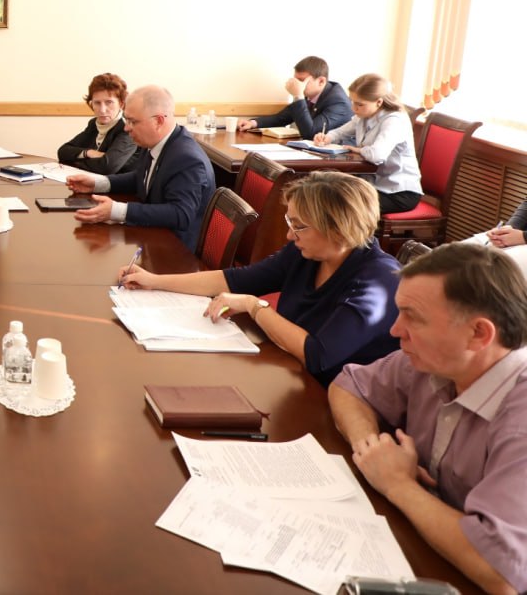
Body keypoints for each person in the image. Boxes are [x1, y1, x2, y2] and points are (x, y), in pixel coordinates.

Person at [330, 243, 527, 595]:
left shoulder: (520, 418)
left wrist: (397, 483)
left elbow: (503, 572)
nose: (395, 330)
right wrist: (371, 448)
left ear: (478, 334)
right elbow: (349, 387)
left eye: (413, 317)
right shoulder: (434, 359)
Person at [121, 172, 400, 386]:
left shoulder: (378, 281)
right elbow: (236, 280)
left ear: (338, 230)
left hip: (340, 397)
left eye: (299, 226)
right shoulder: (307, 252)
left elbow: (318, 355)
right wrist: (154, 281)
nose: (289, 235)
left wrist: (254, 306)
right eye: (290, 223)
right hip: (294, 379)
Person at [65, 85, 214, 250]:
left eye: (132, 121)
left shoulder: (187, 159)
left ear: (158, 121)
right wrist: (97, 183)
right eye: (126, 119)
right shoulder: (153, 142)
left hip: (176, 251)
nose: (126, 127)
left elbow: (180, 214)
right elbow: (141, 177)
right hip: (153, 238)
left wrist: (117, 210)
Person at [313, 73, 422, 215]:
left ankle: (357, 231)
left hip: (398, 192)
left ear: (379, 102)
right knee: (326, 193)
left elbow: (376, 155)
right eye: (352, 102)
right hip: (372, 186)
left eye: (359, 104)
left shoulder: (394, 120)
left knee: (339, 205)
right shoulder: (364, 115)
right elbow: (340, 132)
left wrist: (359, 150)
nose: (354, 108)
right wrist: (327, 137)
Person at [237, 55, 353, 139]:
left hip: (341, 158)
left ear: (321, 81)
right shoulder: (309, 94)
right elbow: (282, 118)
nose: (297, 85)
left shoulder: (338, 102)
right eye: (296, 80)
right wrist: (252, 123)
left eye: (302, 81)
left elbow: (310, 133)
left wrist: (298, 96)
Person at [56, 72, 139, 175]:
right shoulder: (94, 124)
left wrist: (74, 162)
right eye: (97, 103)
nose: (102, 110)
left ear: (121, 104)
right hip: (94, 181)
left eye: (109, 102)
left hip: (121, 184)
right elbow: (62, 152)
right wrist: (89, 153)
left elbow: (107, 167)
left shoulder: (128, 128)